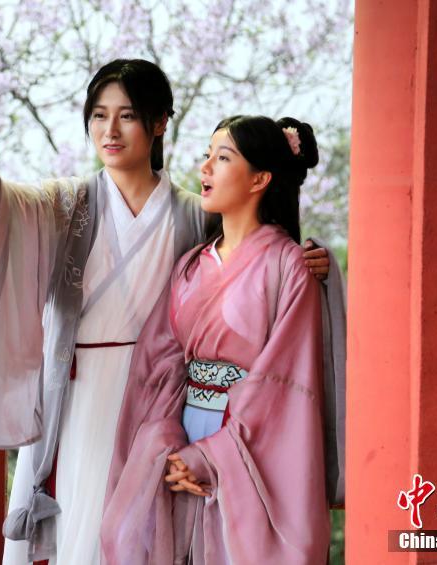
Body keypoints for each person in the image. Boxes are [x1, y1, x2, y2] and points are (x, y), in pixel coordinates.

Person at [0, 60, 333, 565]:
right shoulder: (68, 203)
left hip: (158, 396)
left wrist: (306, 261)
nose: (110, 130)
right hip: (79, 392)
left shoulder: (194, 212)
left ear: (159, 122)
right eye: (99, 115)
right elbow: (16, 211)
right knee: (78, 522)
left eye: (127, 115)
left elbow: (249, 256)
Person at [101, 115, 337, 564]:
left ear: (260, 179)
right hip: (180, 445)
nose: (205, 168)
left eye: (223, 158)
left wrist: (211, 457)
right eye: (206, 155)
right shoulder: (191, 265)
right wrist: (169, 444)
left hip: (248, 451)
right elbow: (158, 365)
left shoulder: (291, 266)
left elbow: (285, 387)